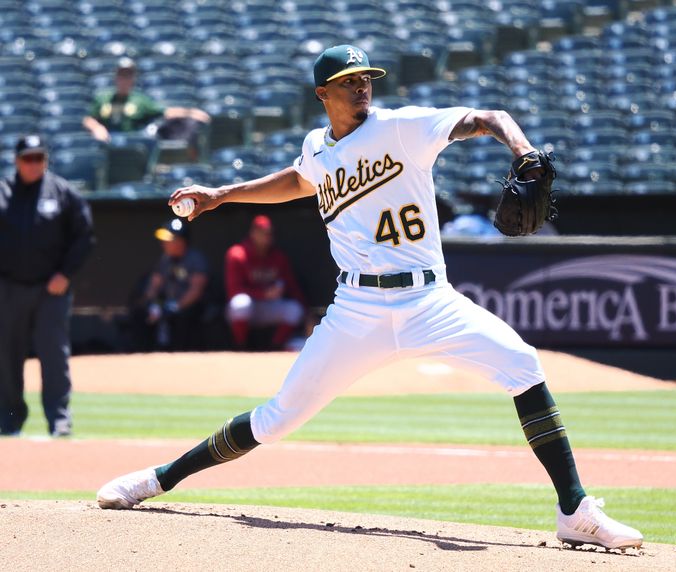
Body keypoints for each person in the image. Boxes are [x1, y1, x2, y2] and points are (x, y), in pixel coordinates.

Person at [97, 45, 643, 550]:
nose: (361, 87)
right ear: (322, 94)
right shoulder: (317, 146)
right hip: (355, 311)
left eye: (365, 79)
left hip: (430, 301)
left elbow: (489, 117)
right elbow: (298, 179)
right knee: (277, 419)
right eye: (347, 81)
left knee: (523, 364)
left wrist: (522, 150)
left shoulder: (401, 128)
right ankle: (157, 479)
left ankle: (574, 511)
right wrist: (220, 195)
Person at [0, 135, 95, 437]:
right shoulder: (3, 192)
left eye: (39, 158)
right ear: (16, 161)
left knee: (54, 354)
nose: (33, 164)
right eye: (28, 158)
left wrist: (65, 274)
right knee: (6, 355)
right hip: (9, 287)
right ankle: (9, 418)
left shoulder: (63, 192)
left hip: (50, 289)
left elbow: (84, 237)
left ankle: (59, 418)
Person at [82, 57, 210, 149]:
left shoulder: (140, 100)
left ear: (133, 78)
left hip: (133, 143)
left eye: (128, 75)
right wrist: (97, 128)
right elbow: (88, 119)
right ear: (116, 77)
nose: (124, 79)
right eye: (122, 75)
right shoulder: (103, 98)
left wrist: (191, 112)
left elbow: (166, 112)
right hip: (109, 142)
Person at [225, 214, 306, 350]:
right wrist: (263, 294)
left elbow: (292, 286)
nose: (266, 237)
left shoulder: (278, 257)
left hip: (268, 306)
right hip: (245, 308)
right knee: (240, 303)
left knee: (294, 309)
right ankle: (241, 348)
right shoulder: (237, 254)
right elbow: (234, 291)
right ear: (253, 233)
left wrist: (307, 312)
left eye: (269, 233)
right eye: (262, 233)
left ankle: (274, 348)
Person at [130, 219, 209, 352]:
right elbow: (154, 285)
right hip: (167, 304)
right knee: (141, 313)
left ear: (181, 241)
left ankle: (181, 357)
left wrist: (175, 306)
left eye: (169, 239)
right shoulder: (165, 259)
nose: (164, 243)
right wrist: (152, 304)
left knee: (181, 318)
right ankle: (143, 354)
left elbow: (196, 291)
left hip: (189, 306)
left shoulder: (195, 259)